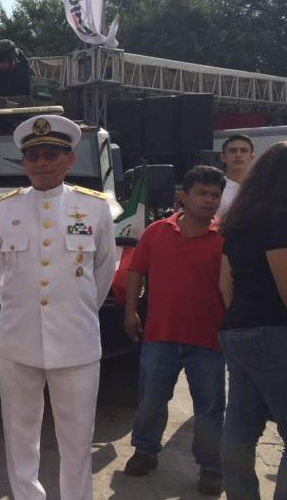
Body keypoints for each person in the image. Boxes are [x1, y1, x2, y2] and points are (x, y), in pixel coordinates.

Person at [0, 114, 116, 500]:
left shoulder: (94, 208)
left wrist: (73, 310)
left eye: (51, 154)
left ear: (69, 160)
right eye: (34, 155)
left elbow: (104, 269)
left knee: (77, 440)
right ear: (24, 162)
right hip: (18, 343)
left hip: (75, 344)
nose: (42, 162)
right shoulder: (4, 209)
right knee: (19, 436)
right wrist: (22, 310)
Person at [123, 165, 226, 495]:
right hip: (160, 335)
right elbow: (136, 272)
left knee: (209, 407)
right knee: (151, 400)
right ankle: (145, 451)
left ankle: (210, 467)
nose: (209, 200)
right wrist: (130, 312)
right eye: (202, 193)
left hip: (209, 339)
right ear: (184, 196)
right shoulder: (155, 232)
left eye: (215, 195)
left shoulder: (225, 236)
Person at [218, 141, 287, 500]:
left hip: (238, 329)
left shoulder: (239, 221)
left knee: (241, 429)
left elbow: (224, 283)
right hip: (273, 331)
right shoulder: (280, 219)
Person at [218, 134, 255, 216]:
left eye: (244, 151)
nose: (238, 155)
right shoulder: (215, 188)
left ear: (252, 157)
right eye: (232, 151)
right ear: (223, 157)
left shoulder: (262, 187)